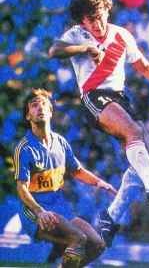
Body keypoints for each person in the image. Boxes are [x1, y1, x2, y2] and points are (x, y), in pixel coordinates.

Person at [49, 0, 149, 247]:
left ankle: (110, 216)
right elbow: (54, 51)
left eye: (100, 17)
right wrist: (87, 48)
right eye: (91, 20)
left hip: (119, 98)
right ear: (83, 20)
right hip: (94, 96)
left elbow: (145, 67)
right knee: (135, 133)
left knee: (146, 157)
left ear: (106, 11)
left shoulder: (122, 35)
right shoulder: (78, 35)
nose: (97, 24)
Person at [13, 88, 118, 268]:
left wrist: (98, 182)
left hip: (60, 208)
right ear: (28, 116)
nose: (40, 108)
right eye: (34, 105)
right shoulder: (24, 148)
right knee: (78, 239)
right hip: (36, 211)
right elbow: (21, 187)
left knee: (98, 245)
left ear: (51, 112)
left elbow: (77, 171)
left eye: (44, 104)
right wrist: (40, 212)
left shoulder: (61, 143)